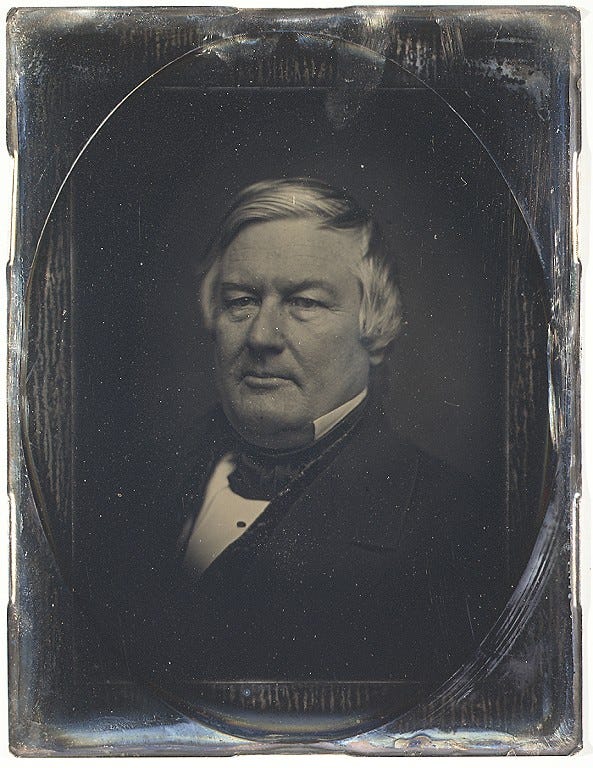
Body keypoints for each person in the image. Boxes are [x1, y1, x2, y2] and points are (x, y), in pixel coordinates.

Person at [121, 178, 506, 691]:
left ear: (375, 327)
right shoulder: (136, 483)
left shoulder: (454, 526)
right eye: (240, 301)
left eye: (303, 302)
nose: (262, 336)